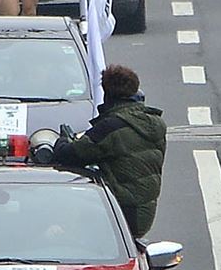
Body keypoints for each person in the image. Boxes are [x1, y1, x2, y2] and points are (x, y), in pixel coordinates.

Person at [51, 64, 167, 241]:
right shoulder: (156, 123)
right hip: (144, 212)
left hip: (119, 211)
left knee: (61, 214)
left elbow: (69, 155)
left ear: (107, 94)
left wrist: (62, 141)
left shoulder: (111, 128)